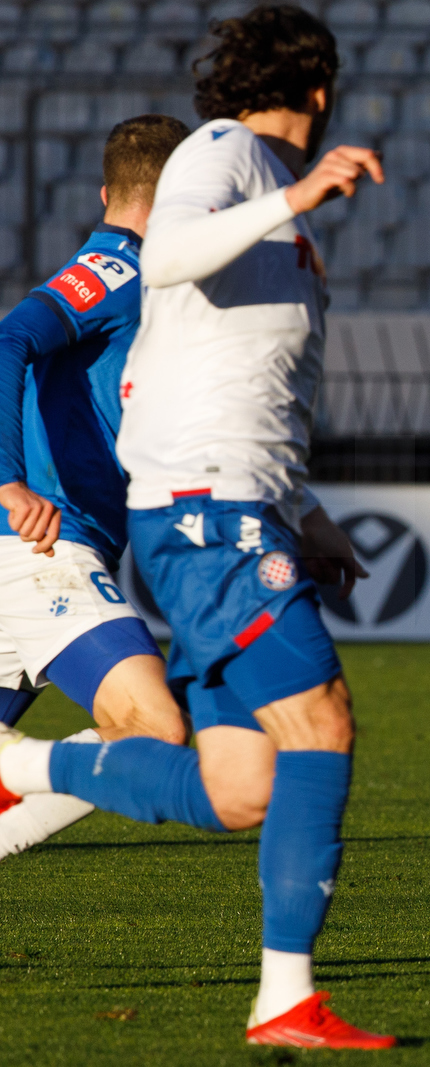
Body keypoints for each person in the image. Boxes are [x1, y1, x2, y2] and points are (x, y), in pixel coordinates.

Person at [0, 5, 391, 1047]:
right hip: (200, 512)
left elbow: (210, 373)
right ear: (320, 91)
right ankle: (285, 996)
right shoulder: (222, 155)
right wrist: (299, 194)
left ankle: (21, 767)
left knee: (241, 781)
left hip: (230, 502)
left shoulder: (265, 195)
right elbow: (164, 254)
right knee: (323, 722)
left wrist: (303, 510)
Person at [0, 114, 191, 858]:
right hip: (44, 543)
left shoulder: (156, 280)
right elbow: (9, 337)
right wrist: (8, 481)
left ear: (106, 189)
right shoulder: (120, 268)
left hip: (42, 548)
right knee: (152, 728)